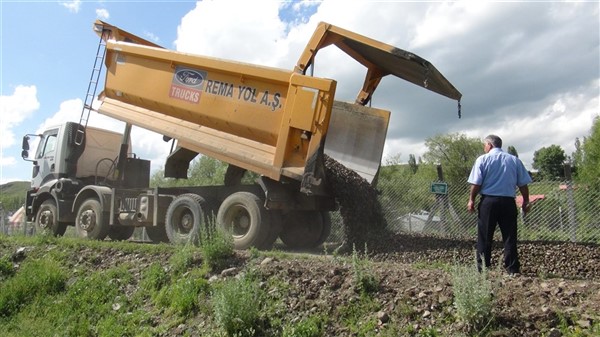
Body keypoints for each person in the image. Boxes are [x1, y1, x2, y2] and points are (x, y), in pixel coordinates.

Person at [467, 135, 532, 275]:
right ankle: (512, 269)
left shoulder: (483, 159)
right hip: (508, 201)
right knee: (509, 236)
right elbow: (523, 184)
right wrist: (526, 200)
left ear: (489, 145)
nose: (484, 148)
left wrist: (471, 199)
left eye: (485, 145)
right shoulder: (514, 160)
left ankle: (482, 269)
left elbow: (476, 183)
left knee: (485, 236)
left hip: (489, 202)